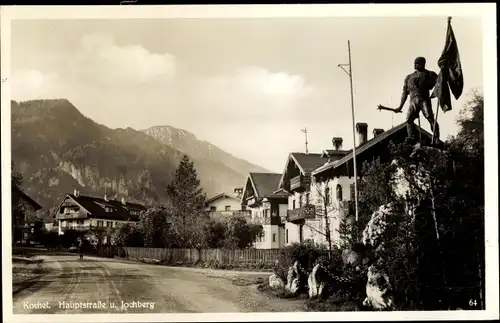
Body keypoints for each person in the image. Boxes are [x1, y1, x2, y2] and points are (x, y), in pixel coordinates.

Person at [395, 57, 440, 145]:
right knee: (409, 119)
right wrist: (400, 106)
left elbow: (440, 82)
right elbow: (404, 93)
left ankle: (436, 137)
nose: (415, 65)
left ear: (423, 64)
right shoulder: (408, 77)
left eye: (417, 63)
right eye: (414, 63)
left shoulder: (430, 74)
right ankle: (411, 138)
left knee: (430, 118)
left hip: (424, 100)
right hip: (413, 101)